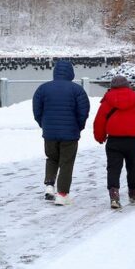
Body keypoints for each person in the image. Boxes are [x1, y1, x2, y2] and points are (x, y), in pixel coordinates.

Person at [32, 60, 90, 206]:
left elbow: (37, 110)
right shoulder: (77, 90)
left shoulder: (43, 89)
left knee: (51, 158)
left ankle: (49, 186)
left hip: (49, 132)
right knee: (66, 162)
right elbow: (83, 112)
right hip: (70, 133)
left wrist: (44, 125)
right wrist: (78, 127)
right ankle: (62, 195)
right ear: (71, 72)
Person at [93, 75, 135, 209]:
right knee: (133, 167)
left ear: (112, 86)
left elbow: (100, 121)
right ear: (127, 85)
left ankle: (114, 195)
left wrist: (100, 137)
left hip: (114, 140)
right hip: (133, 141)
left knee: (113, 168)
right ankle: (133, 192)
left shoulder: (107, 100)